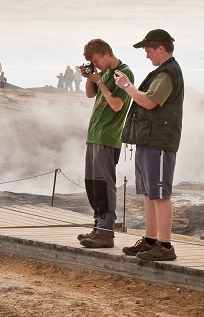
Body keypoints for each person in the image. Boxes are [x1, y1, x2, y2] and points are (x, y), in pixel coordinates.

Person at [116, 29, 184, 261]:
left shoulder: (167, 74)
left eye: (148, 50)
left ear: (161, 48)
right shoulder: (162, 72)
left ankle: (165, 247)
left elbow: (149, 102)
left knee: (160, 194)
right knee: (149, 192)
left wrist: (127, 85)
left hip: (159, 141)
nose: (146, 55)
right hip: (150, 140)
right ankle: (151, 240)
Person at [76, 39, 134, 249]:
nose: (96, 64)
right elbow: (91, 94)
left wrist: (99, 80)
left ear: (106, 53)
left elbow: (118, 105)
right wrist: (90, 78)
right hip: (95, 135)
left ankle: (106, 233)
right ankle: (99, 227)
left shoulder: (123, 72)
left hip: (108, 136)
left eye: (95, 60)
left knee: (104, 184)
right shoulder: (105, 74)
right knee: (93, 185)